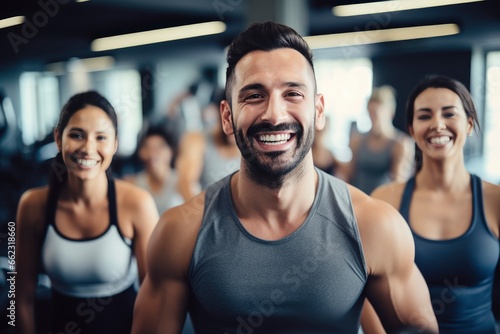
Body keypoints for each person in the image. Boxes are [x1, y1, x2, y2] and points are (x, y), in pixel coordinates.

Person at [131, 21, 438, 334]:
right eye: (254, 96)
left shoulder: (374, 225)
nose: (274, 115)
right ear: (227, 117)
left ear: (318, 111)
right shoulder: (181, 231)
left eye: (292, 94)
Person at [362, 75, 500, 333]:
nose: (437, 124)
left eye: (449, 114)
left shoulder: (495, 200)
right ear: (412, 131)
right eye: (424, 116)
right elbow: (367, 291)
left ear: (469, 124)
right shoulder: (385, 199)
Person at [16, 91, 158, 334]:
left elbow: (157, 296)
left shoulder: (137, 203)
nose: (87, 148)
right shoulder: (31, 205)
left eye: (101, 137)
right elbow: (20, 300)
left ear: (115, 145)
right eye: (77, 135)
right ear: (58, 139)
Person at [176, 87, 240, 201]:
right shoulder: (197, 140)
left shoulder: (256, 144)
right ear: (219, 112)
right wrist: (207, 216)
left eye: (237, 117)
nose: (232, 123)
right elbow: (185, 184)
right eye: (228, 115)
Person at [348, 85, 414, 194]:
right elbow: (348, 176)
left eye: (376, 113)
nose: (372, 117)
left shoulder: (401, 143)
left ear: (390, 113)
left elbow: (398, 184)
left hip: (383, 203)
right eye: (370, 113)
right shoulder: (357, 140)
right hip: (357, 201)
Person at [125, 126, 184, 215]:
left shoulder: (184, 183)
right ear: (141, 152)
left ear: (171, 152)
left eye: (159, 148)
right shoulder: (131, 184)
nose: (152, 154)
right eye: (148, 147)